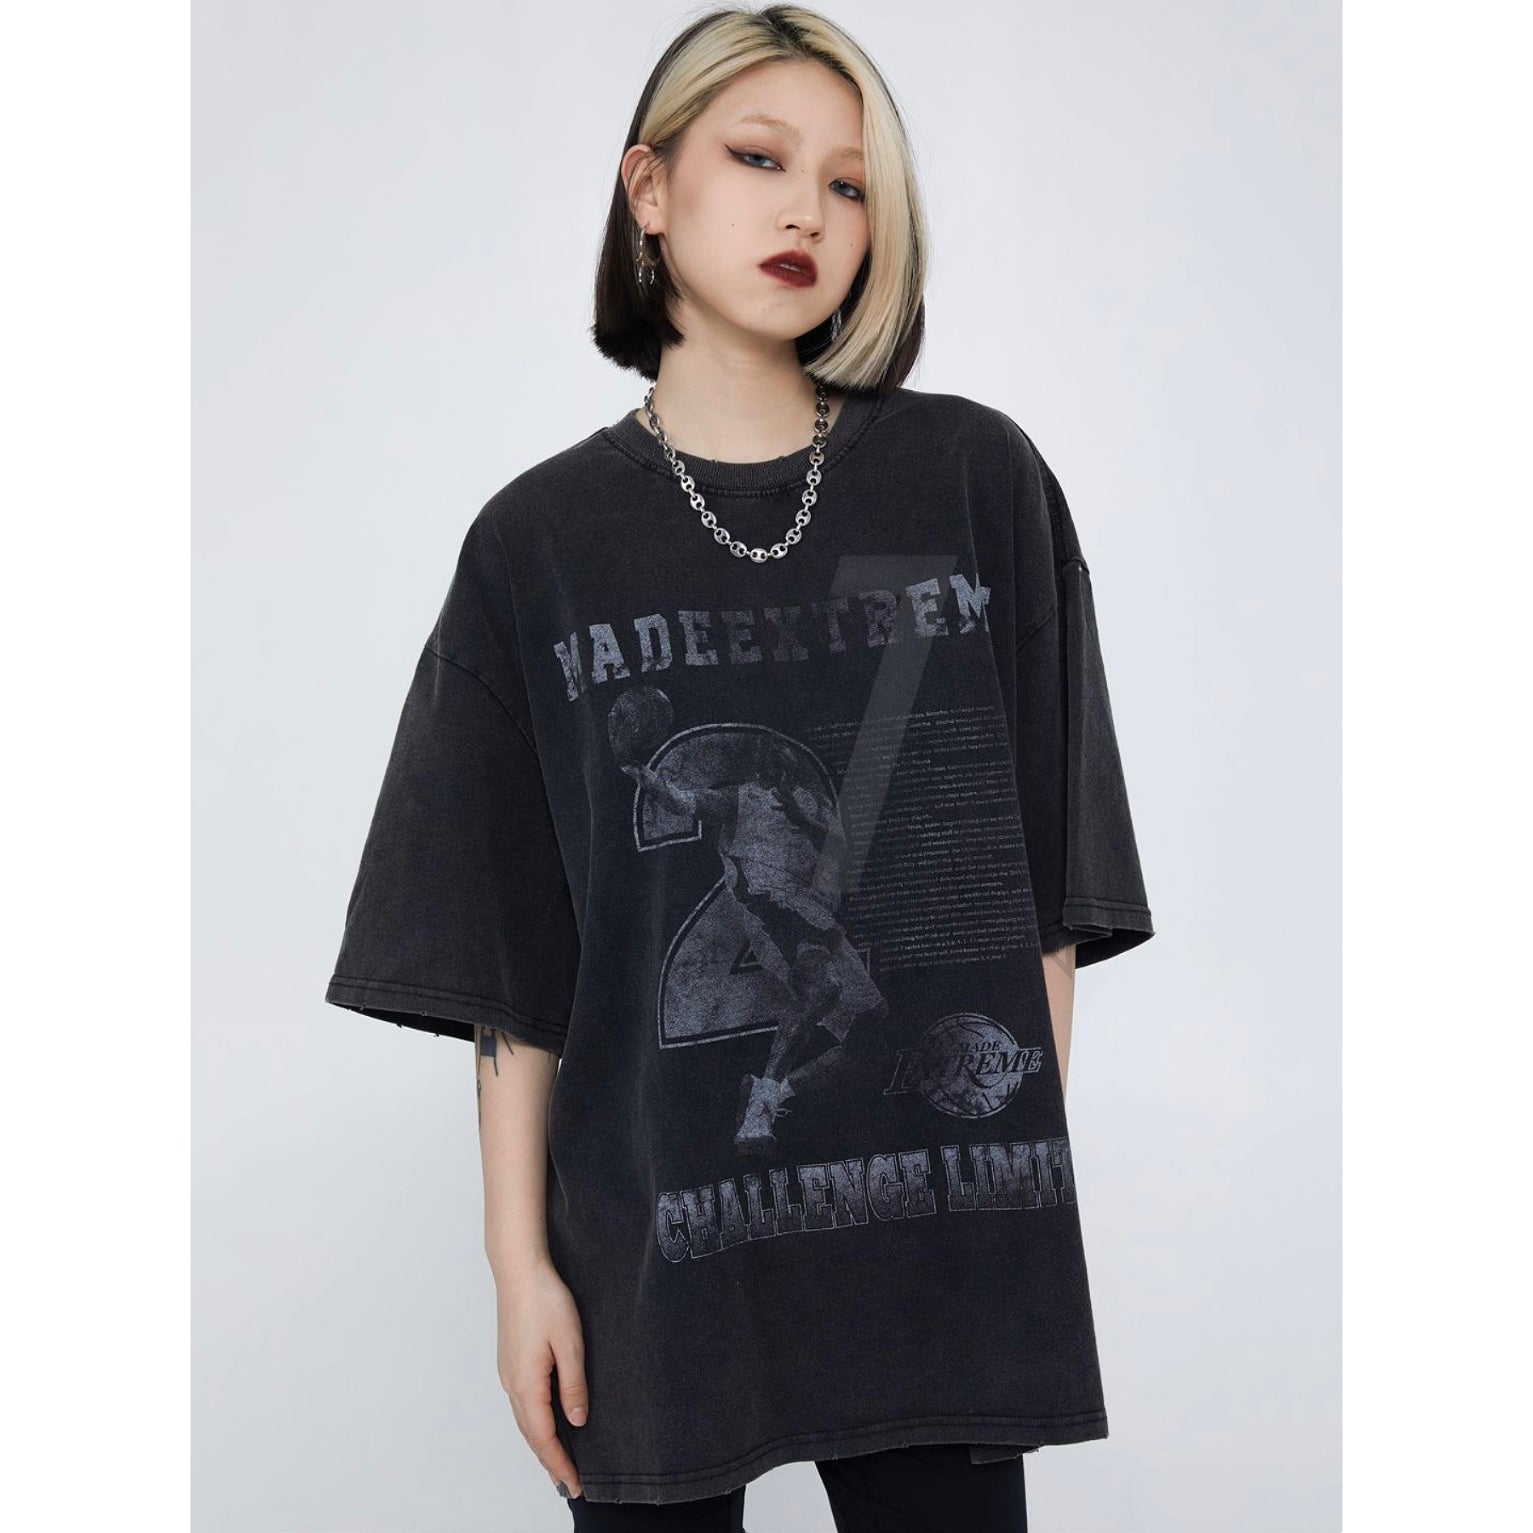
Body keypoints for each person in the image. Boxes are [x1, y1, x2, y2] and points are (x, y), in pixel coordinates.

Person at [323, 6, 1155, 1529]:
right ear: (648, 189)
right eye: (759, 159)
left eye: (849, 183)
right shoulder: (538, 544)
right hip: (656, 1251)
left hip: (939, 1236)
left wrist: (989, 1173)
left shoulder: (974, 480)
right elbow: (510, 962)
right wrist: (519, 1271)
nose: (807, 214)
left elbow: (1042, 881)